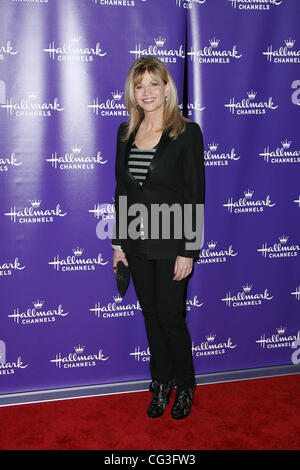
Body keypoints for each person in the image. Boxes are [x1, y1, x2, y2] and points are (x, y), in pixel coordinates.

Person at [111, 56, 205, 419]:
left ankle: (186, 383)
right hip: (135, 240)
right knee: (150, 315)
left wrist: (188, 250)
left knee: (170, 318)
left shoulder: (186, 133)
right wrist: (118, 245)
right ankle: (160, 382)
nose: (147, 92)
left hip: (172, 240)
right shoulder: (125, 133)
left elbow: (195, 194)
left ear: (167, 88)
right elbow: (121, 191)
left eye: (154, 83)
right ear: (132, 93)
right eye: (140, 85)